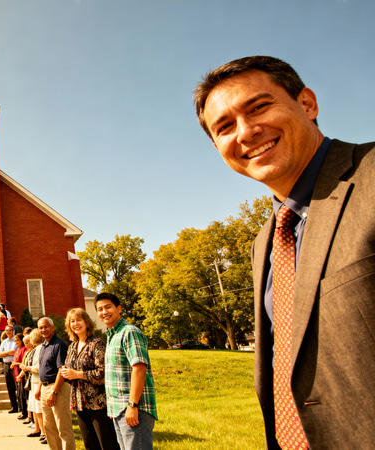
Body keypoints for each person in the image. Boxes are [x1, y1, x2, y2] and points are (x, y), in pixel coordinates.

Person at [193, 55, 375, 449]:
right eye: (224, 127)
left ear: (307, 104)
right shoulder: (266, 242)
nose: (246, 131)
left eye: (259, 107)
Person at [95, 293, 156, 450]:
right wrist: (113, 408)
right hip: (119, 410)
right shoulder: (112, 336)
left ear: (119, 308)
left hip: (133, 409)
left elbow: (140, 368)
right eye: (100, 309)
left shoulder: (129, 332)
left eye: (108, 307)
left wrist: (132, 405)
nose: (104, 312)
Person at [60, 308, 119, 450]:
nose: (76, 324)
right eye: (72, 321)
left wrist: (78, 374)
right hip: (79, 402)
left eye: (79, 320)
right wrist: (66, 374)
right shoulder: (72, 346)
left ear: (87, 322)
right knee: (89, 443)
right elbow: (69, 370)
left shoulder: (96, 343)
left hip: (98, 403)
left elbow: (103, 373)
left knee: (106, 443)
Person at [35, 317, 76, 450]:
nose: (43, 330)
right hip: (45, 388)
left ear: (52, 328)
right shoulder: (44, 346)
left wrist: (54, 392)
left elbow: (62, 370)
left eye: (46, 327)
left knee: (63, 428)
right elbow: (44, 369)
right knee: (49, 428)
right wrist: (40, 388)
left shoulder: (59, 345)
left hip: (57, 388)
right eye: (41, 327)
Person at [23, 329, 47, 443]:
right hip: (33, 381)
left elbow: (40, 368)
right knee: (34, 408)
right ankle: (37, 429)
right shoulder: (35, 349)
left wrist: (27, 368)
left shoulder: (40, 349)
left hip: (38, 382)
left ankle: (44, 432)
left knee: (39, 409)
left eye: (31, 337)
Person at [0, 326, 19, 414]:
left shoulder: (16, 340)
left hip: (14, 365)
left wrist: (5, 353)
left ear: (13, 331)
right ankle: (14, 406)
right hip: (6, 365)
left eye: (10, 330)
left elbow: (14, 352)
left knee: (17, 386)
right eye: (7, 330)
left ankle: (21, 406)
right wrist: (7, 352)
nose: (8, 332)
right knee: (10, 387)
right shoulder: (4, 342)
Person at [11, 333, 28, 420]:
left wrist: (15, 363)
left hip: (22, 373)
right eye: (15, 341)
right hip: (16, 373)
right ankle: (22, 410)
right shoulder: (17, 350)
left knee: (23, 394)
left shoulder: (24, 349)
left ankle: (25, 413)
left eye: (18, 340)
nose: (16, 342)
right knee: (19, 394)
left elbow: (24, 362)